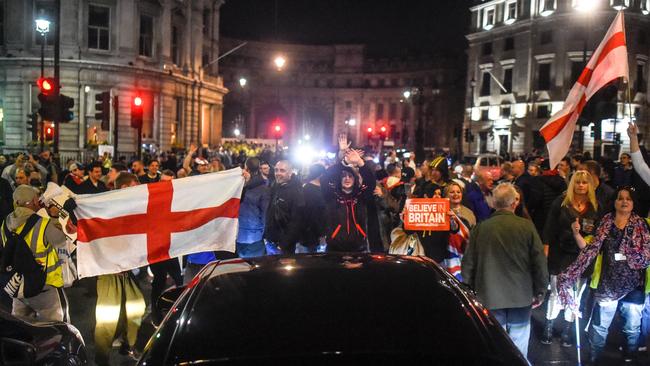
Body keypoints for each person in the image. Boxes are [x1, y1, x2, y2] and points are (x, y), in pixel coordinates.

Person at [558, 186, 650, 363]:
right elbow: (588, 248)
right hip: (608, 283)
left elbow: (646, 255)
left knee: (632, 327)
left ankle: (630, 357)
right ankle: (595, 358)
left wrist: (630, 256)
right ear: (614, 202)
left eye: (628, 199)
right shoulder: (605, 222)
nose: (624, 201)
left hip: (634, 285)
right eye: (620, 198)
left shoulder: (643, 225)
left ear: (633, 203)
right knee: (600, 327)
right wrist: (576, 233)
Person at [462, 183, 548, 360]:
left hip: (489, 295)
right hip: (521, 295)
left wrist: (469, 289)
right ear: (514, 203)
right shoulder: (526, 227)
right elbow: (539, 262)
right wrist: (541, 290)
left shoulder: (481, 228)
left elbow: (468, 263)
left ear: (493, 203)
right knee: (519, 343)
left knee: (495, 341)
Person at [93, 172, 146, 365]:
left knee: (137, 306)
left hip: (126, 269)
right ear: (124, 188)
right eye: (134, 186)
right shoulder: (105, 206)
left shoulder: (131, 207)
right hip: (109, 272)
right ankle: (101, 359)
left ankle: (128, 345)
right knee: (108, 318)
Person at [541, 170, 599, 346]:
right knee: (556, 294)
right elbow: (549, 228)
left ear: (589, 185)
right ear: (572, 183)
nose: (581, 185)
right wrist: (546, 252)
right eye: (578, 182)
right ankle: (549, 326)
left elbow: (599, 233)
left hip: (583, 258)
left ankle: (567, 329)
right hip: (560, 256)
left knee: (577, 296)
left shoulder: (596, 206)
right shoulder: (561, 203)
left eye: (584, 182)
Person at [1, 185, 68, 322]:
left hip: (18, 287)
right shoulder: (42, 223)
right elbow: (60, 241)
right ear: (33, 202)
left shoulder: (5, 223)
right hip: (45, 287)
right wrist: (54, 217)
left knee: (22, 329)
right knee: (57, 329)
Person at [321, 149, 375, 252]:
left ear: (355, 179)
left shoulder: (360, 195)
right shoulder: (332, 195)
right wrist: (344, 162)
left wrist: (360, 163)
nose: (347, 179)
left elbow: (371, 182)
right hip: (334, 248)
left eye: (350, 176)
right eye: (343, 176)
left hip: (358, 248)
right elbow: (324, 178)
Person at [264, 160, 304, 254]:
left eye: (282, 170)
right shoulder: (275, 186)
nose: (278, 173)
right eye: (276, 170)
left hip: (284, 247)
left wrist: (284, 244)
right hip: (271, 242)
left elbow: (297, 222)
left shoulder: (296, 192)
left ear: (290, 173)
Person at [236, 157, 270, 258]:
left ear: (246, 168)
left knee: (243, 268)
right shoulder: (264, 189)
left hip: (239, 235)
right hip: (255, 236)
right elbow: (265, 215)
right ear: (259, 169)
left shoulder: (239, 186)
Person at [443, 182, 476, 281]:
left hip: (465, 253)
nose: (456, 194)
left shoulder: (469, 213)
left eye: (458, 192)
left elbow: (473, 233)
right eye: (452, 192)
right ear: (446, 195)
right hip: (447, 256)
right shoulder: (441, 211)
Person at [298, 163, 327, 253]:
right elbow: (312, 214)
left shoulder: (321, 188)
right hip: (312, 233)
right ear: (321, 175)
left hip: (318, 231)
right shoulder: (309, 190)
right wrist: (321, 234)